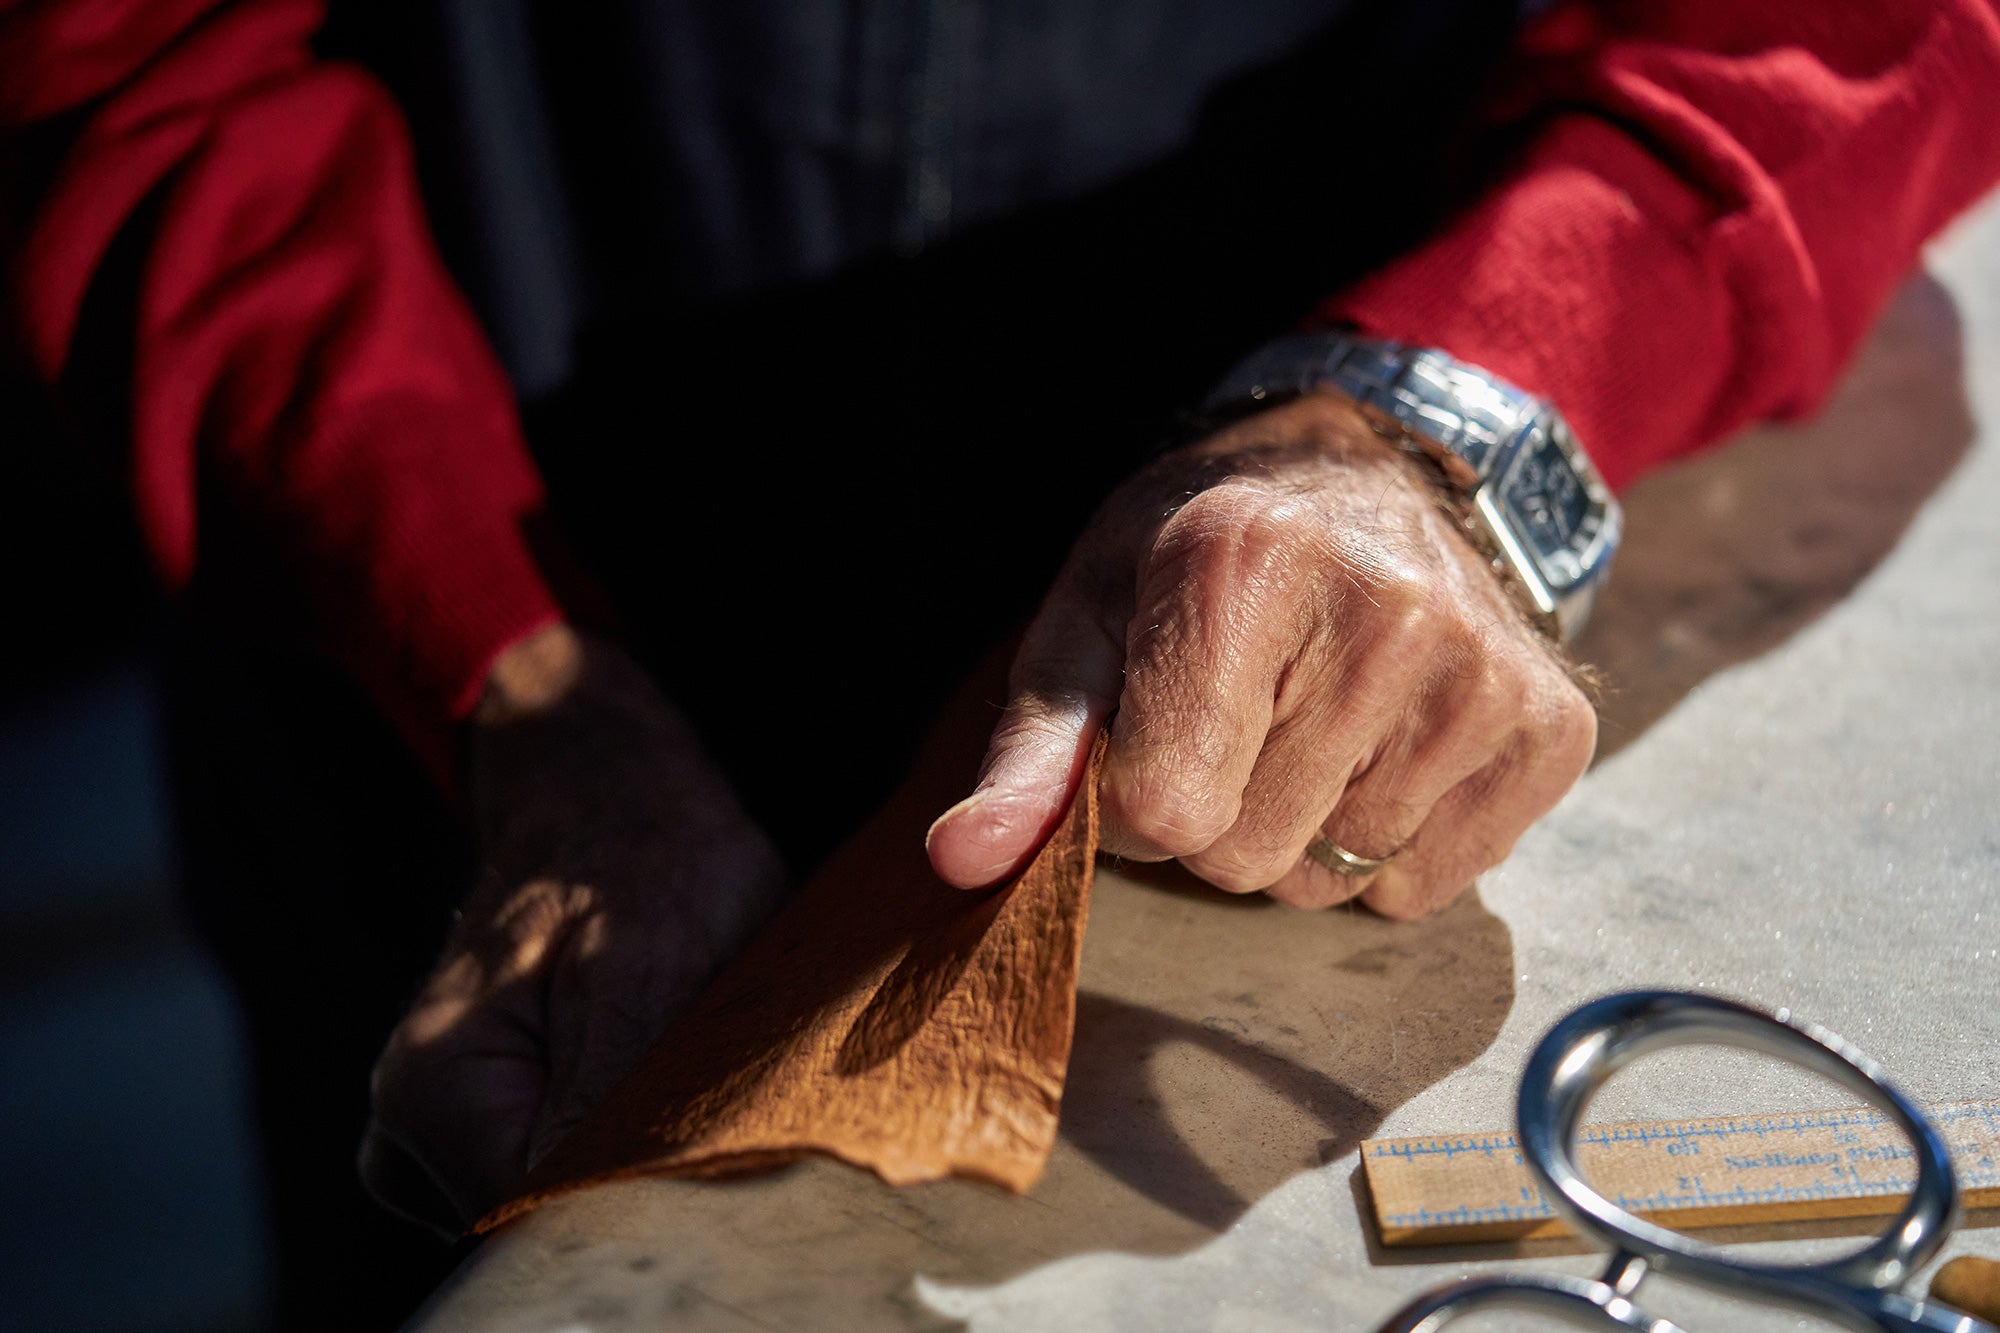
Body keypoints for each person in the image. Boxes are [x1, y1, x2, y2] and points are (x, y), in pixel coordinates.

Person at [6, 0, 1999, 1325]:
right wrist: (496, 662)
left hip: (1327, 666)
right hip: (454, 687)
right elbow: (131, 69)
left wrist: (1445, 400)